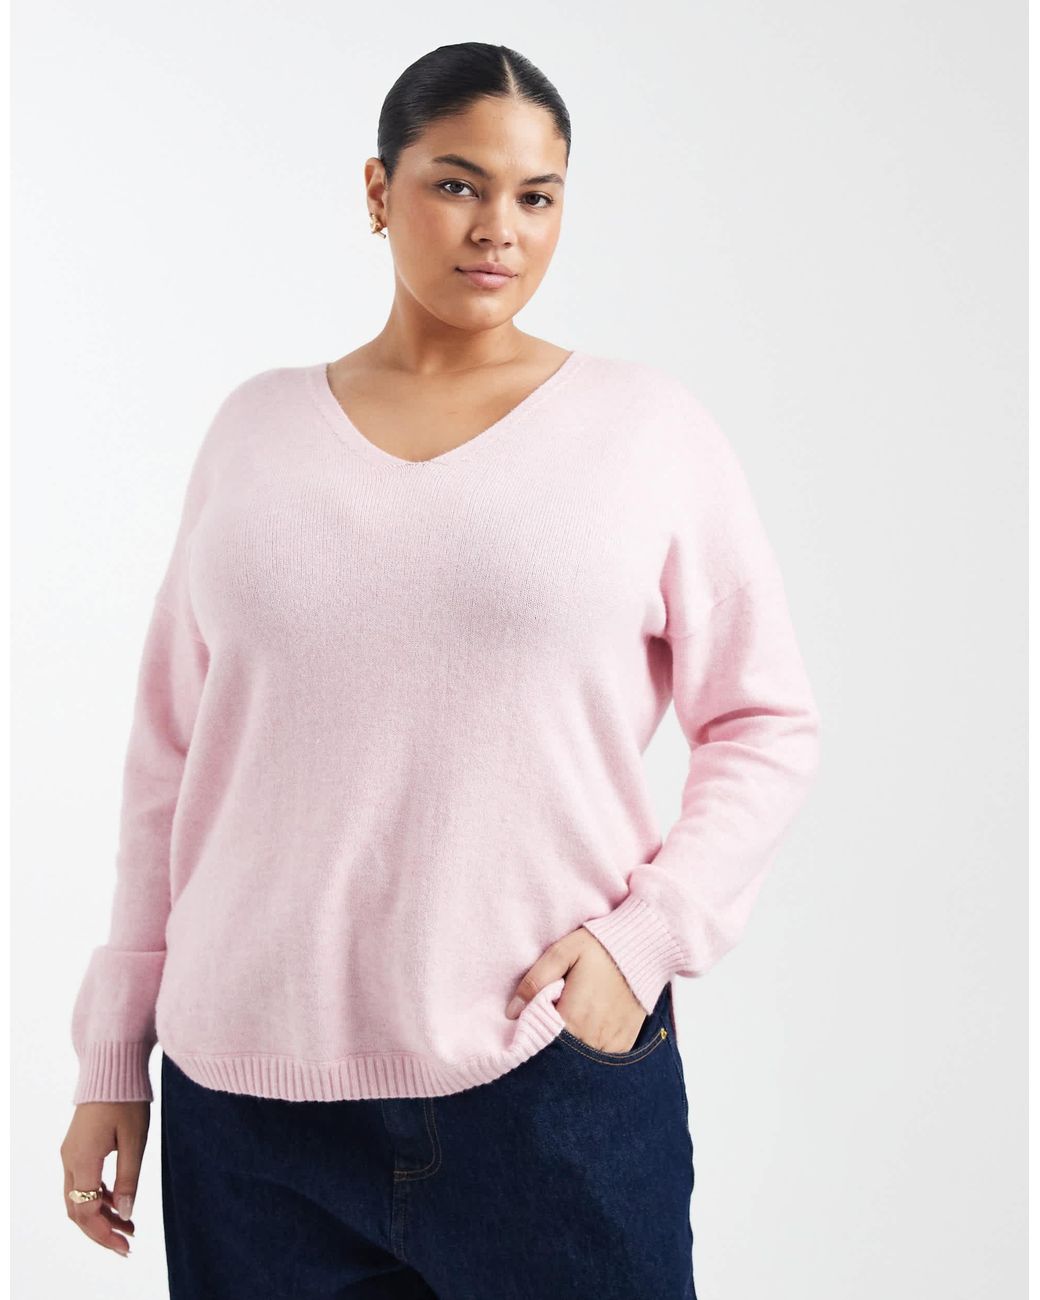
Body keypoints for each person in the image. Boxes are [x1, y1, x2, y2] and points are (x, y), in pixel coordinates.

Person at [59, 40, 821, 1299]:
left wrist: (644, 939)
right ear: (378, 190)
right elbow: (168, 761)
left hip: (541, 1075)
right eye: (457, 184)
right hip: (242, 1105)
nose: (497, 229)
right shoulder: (254, 432)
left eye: (536, 195)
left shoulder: (646, 433)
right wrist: (113, 1054)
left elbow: (763, 720)